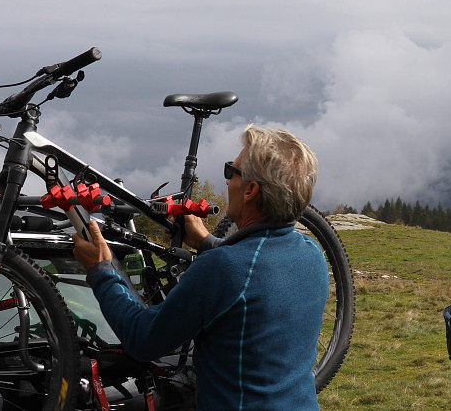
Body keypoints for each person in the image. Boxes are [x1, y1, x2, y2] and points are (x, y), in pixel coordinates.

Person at [73, 124, 329, 410]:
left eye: (232, 171)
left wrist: (101, 270)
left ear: (251, 190)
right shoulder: (312, 255)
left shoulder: (222, 268)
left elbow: (142, 338)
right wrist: (207, 241)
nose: (228, 180)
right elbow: (257, 275)